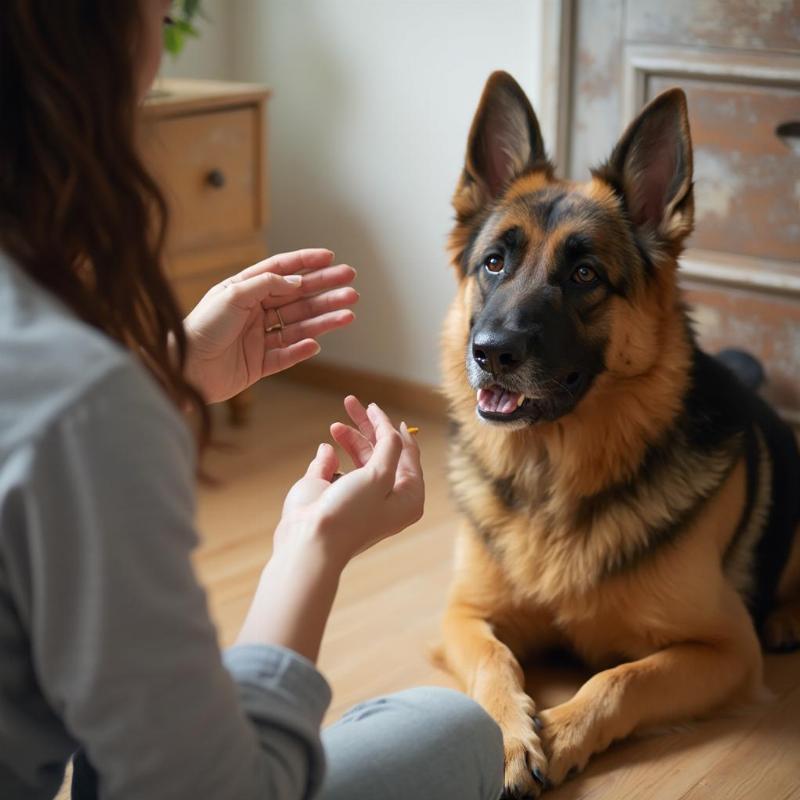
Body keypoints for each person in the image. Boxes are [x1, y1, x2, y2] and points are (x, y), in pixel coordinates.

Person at [0, 1, 504, 799]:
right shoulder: (79, 404)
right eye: (158, 20)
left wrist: (164, 377)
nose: (160, 52)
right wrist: (310, 553)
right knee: (456, 731)